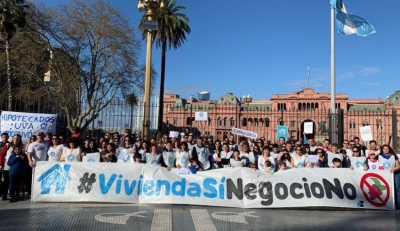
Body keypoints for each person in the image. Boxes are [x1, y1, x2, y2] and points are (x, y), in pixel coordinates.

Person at [376, 145, 400, 209]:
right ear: (382, 150)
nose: (386, 150)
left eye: (387, 149)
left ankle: (398, 204)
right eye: (384, 149)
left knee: (397, 188)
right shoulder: (379, 156)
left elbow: (398, 166)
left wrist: (394, 169)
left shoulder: (393, 156)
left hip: (395, 174)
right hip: (384, 175)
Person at [0, 132, 10, 200]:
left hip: (7, 164)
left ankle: (4, 194)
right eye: (3, 137)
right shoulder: (0, 144)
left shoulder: (10, 144)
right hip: (0, 163)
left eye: (6, 137)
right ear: (1, 137)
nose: (5, 138)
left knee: (6, 180)